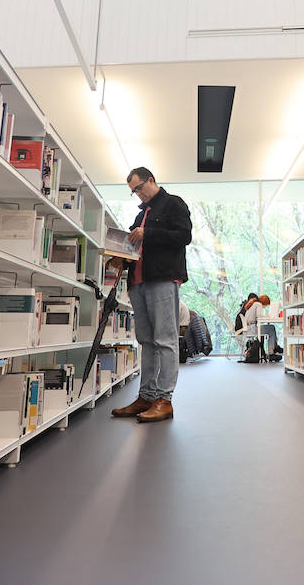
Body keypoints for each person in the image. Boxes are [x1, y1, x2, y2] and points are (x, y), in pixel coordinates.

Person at [111, 167, 192, 423]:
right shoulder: (139, 216)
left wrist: (149, 233)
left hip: (162, 279)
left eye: (139, 188)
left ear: (151, 180)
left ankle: (164, 400)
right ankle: (146, 396)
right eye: (133, 191)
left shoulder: (173, 204)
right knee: (146, 340)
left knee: (165, 340)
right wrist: (120, 258)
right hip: (138, 282)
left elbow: (184, 236)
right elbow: (133, 246)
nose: (137, 194)